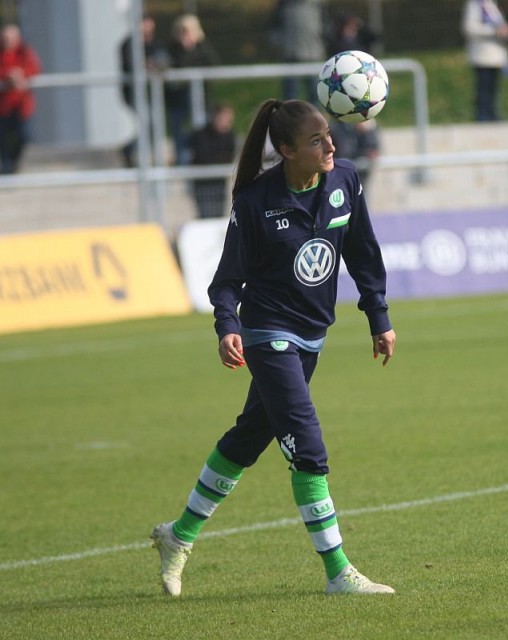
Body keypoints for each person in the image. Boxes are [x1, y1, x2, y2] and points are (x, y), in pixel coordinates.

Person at [150, 98, 396, 597]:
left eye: (328, 135)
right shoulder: (256, 202)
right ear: (285, 150)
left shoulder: (344, 180)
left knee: (248, 438)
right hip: (268, 335)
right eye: (315, 140)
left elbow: (363, 252)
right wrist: (227, 326)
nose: (330, 144)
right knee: (307, 446)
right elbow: (225, 282)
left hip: (312, 336)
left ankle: (177, 537)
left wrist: (378, 316)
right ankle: (338, 572)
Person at [165, 14, 219, 165]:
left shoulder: (203, 47)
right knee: (180, 135)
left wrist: (192, 49)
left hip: (202, 100)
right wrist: (186, 49)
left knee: (202, 136)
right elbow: (176, 69)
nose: (186, 35)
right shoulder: (173, 49)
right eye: (183, 31)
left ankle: (202, 164)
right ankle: (183, 167)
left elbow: (212, 66)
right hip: (178, 101)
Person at [119, 14, 167, 167]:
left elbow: (163, 60)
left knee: (152, 125)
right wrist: (145, 64)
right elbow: (130, 64)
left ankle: (132, 151)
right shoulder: (129, 44)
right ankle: (131, 152)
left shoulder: (154, 43)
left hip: (151, 92)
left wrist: (155, 64)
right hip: (134, 92)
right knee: (148, 123)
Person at [0, 24, 41, 174]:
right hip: (3, 107)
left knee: (23, 136)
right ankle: (7, 168)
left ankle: (13, 164)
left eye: (10, 38)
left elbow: (35, 69)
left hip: (21, 105)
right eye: (4, 38)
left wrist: (20, 74)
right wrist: (8, 76)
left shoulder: (24, 52)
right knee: (3, 138)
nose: (7, 41)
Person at [461, 0, 508, 122]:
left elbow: (500, 24)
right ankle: (483, 115)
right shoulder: (474, 5)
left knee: (493, 88)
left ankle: (493, 114)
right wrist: (493, 31)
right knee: (484, 88)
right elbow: (469, 28)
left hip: (496, 55)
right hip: (482, 55)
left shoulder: (491, 5)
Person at [189, 103, 237, 218]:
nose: (226, 124)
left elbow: (229, 156)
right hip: (203, 183)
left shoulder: (230, 136)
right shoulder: (201, 135)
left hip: (219, 182)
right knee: (206, 216)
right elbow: (204, 157)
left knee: (219, 214)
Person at [273, 0, 326, 103]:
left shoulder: (318, 5)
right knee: (290, 94)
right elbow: (275, 28)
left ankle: (315, 117)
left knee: (315, 93)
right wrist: (281, 43)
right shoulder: (284, 4)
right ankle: (290, 118)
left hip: (314, 55)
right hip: (291, 56)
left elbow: (326, 27)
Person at [329, 117, 380, 187]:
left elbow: (373, 150)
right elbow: (344, 152)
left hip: (360, 174)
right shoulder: (336, 127)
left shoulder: (368, 126)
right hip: (340, 174)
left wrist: (366, 133)